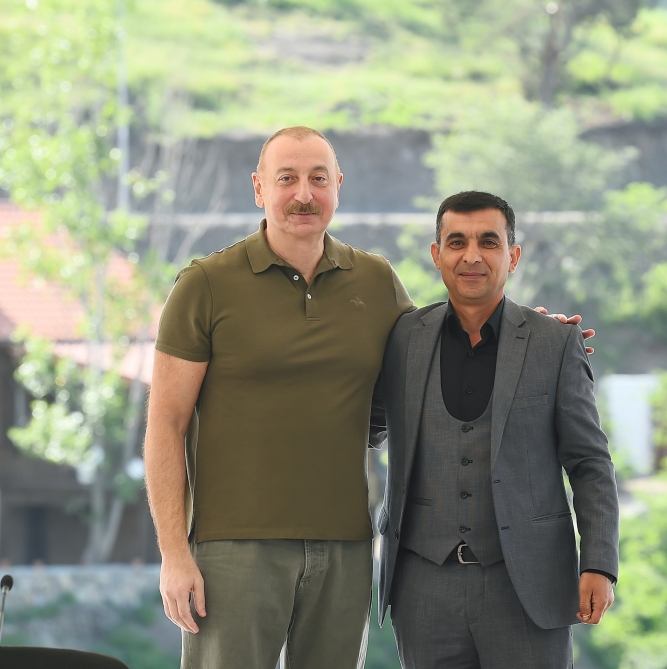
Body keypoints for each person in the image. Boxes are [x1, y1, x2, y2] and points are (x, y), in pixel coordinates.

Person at [144, 127, 594, 669]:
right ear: (259, 188)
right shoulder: (205, 284)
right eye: (287, 179)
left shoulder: (376, 281)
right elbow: (165, 425)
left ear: (338, 186)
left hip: (347, 546)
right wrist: (174, 553)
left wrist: (531, 332)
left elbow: (443, 347)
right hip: (234, 547)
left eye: (318, 179)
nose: (304, 194)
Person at [376, 191, 619, 669]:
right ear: (436, 254)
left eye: (489, 242)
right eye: (457, 242)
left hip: (529, 584)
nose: (472, 256)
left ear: (513, 255)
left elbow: (590, 463)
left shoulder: (555, 342)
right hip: (423, 589)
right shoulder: (401, 339)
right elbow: (363, 422)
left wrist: (598, 562)